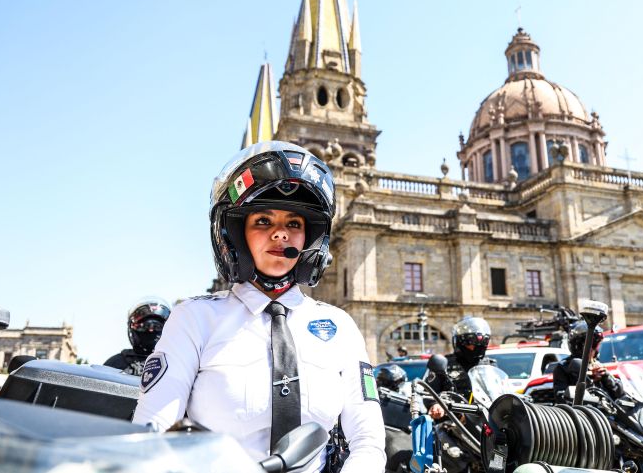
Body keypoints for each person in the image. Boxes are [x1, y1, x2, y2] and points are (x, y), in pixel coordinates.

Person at [132, 142, 385, 472]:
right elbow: (152, 435)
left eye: (294, 223)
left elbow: (368, 441)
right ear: (236, 234)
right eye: (263, 221)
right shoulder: (194, 320)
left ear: (310, 238)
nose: (280, 234)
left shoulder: (340, 327)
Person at [425, 316, 496, 420]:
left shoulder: (489, 365)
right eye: (470, 344)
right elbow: (429, 392)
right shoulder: (444, 363)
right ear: (459, 343)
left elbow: (497, 392)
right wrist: (435, 405)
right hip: (451, 420)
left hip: (483, 419)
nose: (475, 348)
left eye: (480, 345)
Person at [551, 323, 623, 402]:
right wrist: (588, 380)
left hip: (605, 409)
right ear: (581, 346)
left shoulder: (597, 365)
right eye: (592, 345)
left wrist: (606, 377)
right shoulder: (564, 367)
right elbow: (561, 398)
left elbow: (619, 394)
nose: (595, 349)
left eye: (595, 345)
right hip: (582, 409)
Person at [104, 297, 171, 375]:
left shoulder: (174, 364)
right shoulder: (115, 363)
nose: (151, 330)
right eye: (144, 326)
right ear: (132, 327)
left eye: (157, 326)